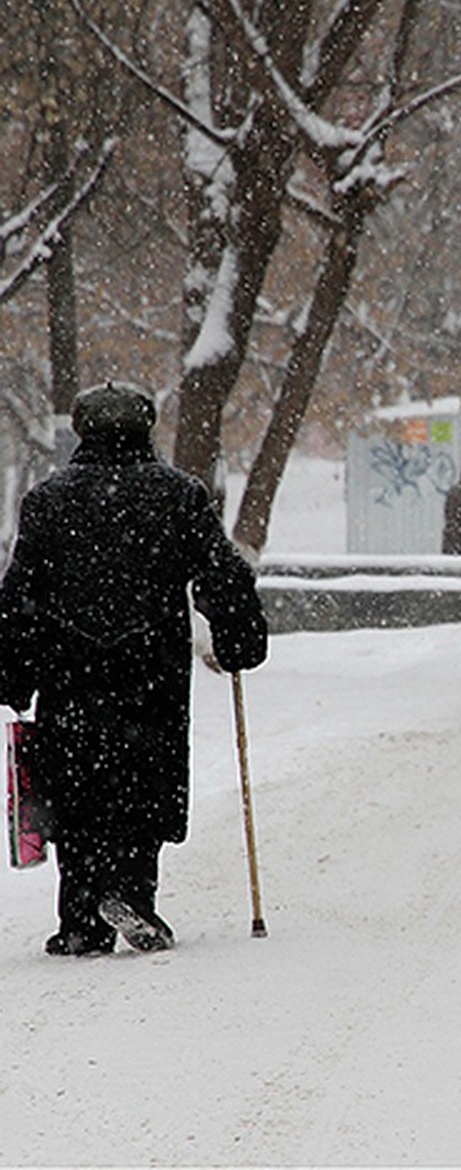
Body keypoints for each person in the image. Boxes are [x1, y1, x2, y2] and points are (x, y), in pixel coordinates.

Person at [0, 381, 267, 956]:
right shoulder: (178, 496)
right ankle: (132, 894)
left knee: (77, 789)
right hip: (151, 673)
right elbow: (223, 574)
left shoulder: (48, 501)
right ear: (145, 429)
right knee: (144, 785)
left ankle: (80, 918)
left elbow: (20, 596)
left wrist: (13, 673)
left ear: (83, 431)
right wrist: (238, 636)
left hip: (71, 675)